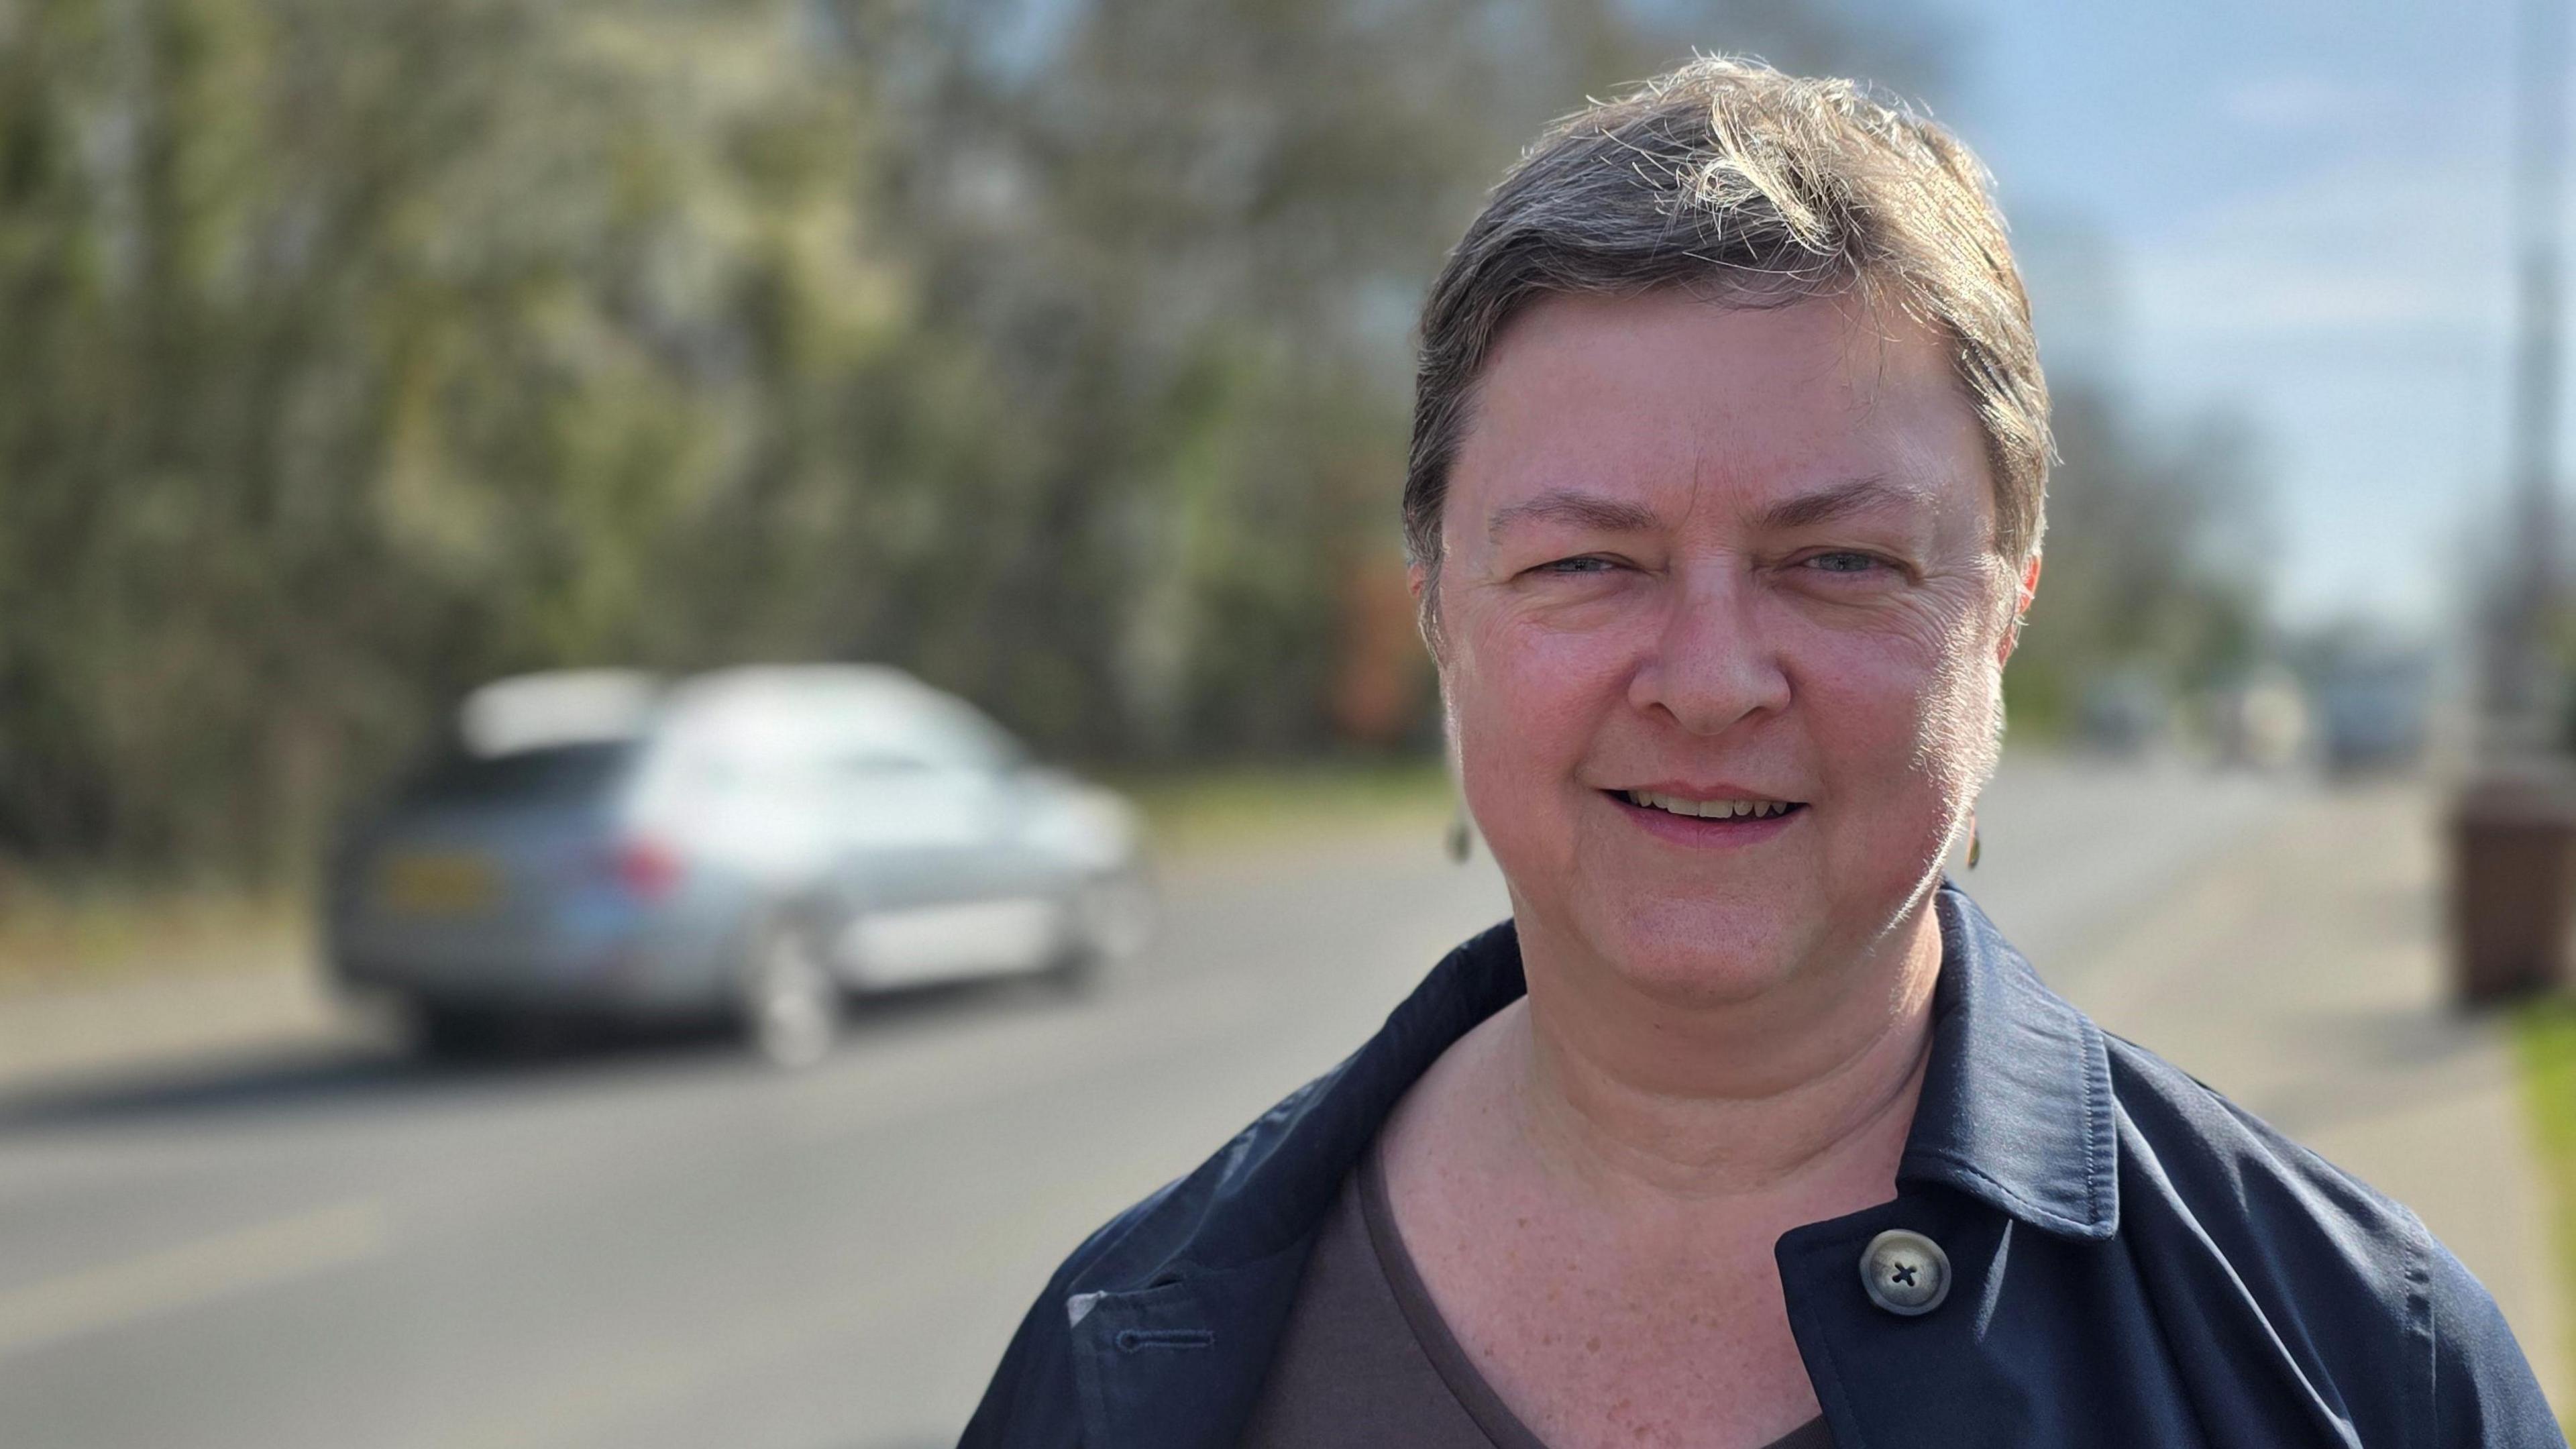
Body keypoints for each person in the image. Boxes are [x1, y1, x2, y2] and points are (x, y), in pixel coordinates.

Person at [961, 57, 2563, 1449]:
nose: (1713, 682)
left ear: (2002, 616)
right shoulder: (1120, 1356)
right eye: (1588, 563)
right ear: (1442, 612)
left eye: (1840, 561)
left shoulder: (2367, 1374)